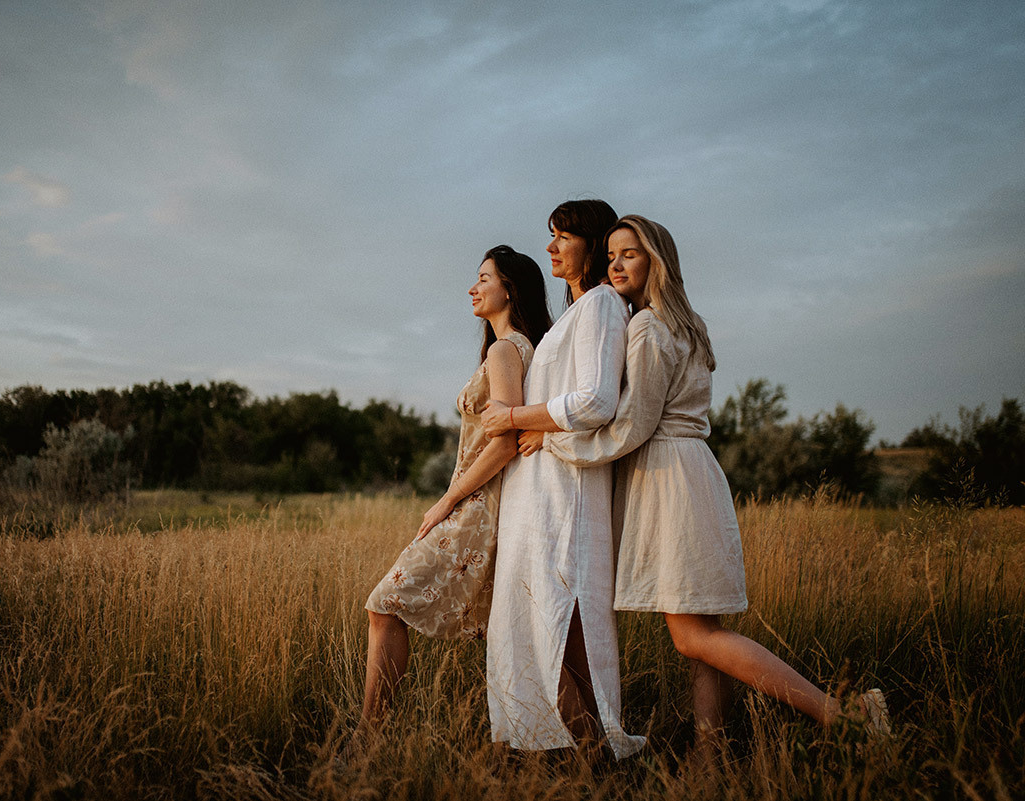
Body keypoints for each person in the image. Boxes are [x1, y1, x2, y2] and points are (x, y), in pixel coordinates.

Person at [528, 214, 889, 759]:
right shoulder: (688, 323)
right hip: (694, 469)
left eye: (630, 254)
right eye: (612, 256)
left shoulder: (647, 327)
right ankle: (709, 759)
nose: (617, 264)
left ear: (657, 261)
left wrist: (553, 441)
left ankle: (844, 717)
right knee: (704, 635)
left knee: (692, 636)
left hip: (669, 479)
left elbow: (631, 424)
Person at [351, 245, 550, 753]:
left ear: (510, 288)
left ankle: (367, 742)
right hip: (486, 502)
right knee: (497, 630)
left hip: (477, 504)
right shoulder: (522, 348)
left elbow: (503, 440)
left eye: (484, 278)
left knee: (385, 603)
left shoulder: (505, 351)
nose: (473, 287)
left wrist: (447, 500)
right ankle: (528, 744)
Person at [480, 200, 647, 760]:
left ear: (592, 245)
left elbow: (598, 401)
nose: (551, 247)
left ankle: (599, 761)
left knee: (553, 623)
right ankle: (576, 755)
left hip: (564, 495)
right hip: (538, 491)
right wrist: (538, 427)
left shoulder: (601, 304)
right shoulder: (575, 315)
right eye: (549, 236)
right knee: (537, 622)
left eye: (562, 237)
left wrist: (516, 419)